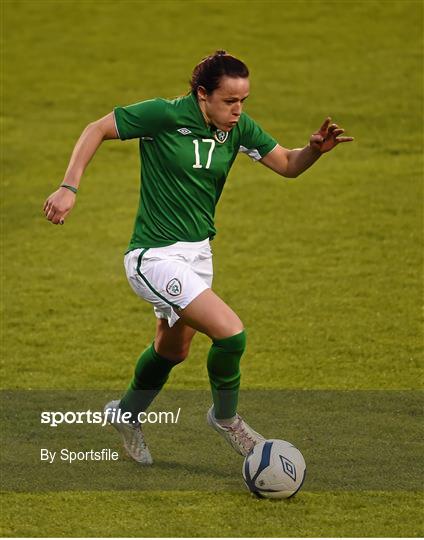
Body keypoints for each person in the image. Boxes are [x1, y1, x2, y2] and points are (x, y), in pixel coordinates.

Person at [43, 50, 353, 465]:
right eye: (230, 101)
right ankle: (226, 419)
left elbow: (287, 164)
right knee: (231, 333)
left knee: (173, 351)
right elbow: (96, 129)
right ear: (202, 94)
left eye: (244, 101)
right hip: (154, 257)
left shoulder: (238, 129)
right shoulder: (163, 115)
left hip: (198, 256)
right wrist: (69, 187)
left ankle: (124, 413)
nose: (238, 110)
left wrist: (314, 150)